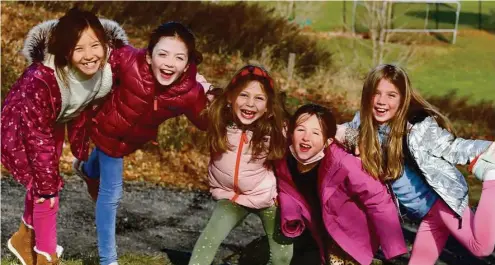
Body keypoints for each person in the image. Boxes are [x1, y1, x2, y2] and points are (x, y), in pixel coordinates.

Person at [71, 21, 213, 265]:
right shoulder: (128, 60)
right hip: (103, 126)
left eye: (179, 58)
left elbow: (206, 121)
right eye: (163, 54)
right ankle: (108, 260)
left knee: (97, 167)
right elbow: (97, 65)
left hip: (128, 142)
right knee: (111, 193)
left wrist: (222, 105)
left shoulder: (188, 93)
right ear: (149, 56)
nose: (170, 63)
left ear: (188, 64)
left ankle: (85, 169)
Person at [1, 8, 127, 265]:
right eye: (79, 49)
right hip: (24, 123)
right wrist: (47, 186)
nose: (90, 55)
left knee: (44, 183)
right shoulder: (43, 80)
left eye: (95, 45)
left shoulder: (112, 66)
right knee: (46, 190)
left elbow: (146, 71)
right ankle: (46, 258)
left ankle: (22, 239)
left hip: (59, 115)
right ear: (65, 51)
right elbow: (36, 136)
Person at [338, 64, 495, 265]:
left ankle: (492, 176)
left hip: (441, 203)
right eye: (376, 93)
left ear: (403, 99)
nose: (381, 101)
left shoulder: (417, 127)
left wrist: (487, 150)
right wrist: (331, 132)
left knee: (481, 247)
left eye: (391, 95)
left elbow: (451, 146)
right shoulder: (362, 122)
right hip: (426, 216)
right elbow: (341, 131)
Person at [276, 104, 407, 265]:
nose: (306, 137)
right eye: (300, 130)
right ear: (291, 132)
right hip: (318, 231)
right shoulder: (285, 160)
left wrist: (392, 244)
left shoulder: (342, 163)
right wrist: (291, 214)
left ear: (327, 141)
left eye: (316, 133)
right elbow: (287, 189)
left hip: (349, 233)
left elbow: (377, 198)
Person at [188, 65, 293, 265]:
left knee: (282, 255)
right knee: (208, 240)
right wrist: (182, 65)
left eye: (259, 98)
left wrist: (342, 135)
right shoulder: (219, 117)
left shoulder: (276, 130)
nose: (250, 104)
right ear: (230, 98)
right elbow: (195, 85)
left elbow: (310, 129)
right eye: (244, 95)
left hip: (267, 198)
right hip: (231, 198)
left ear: (269, 108)